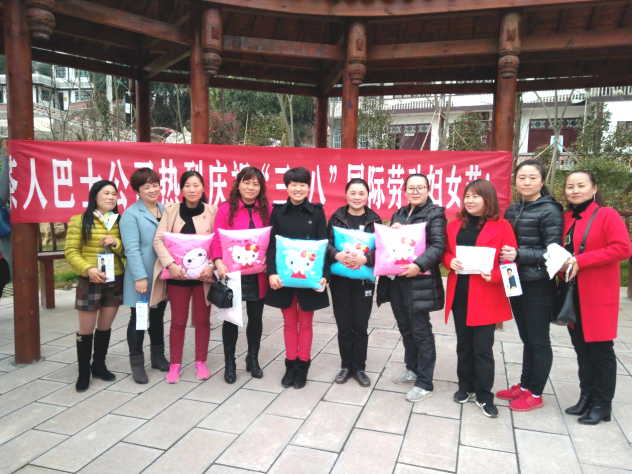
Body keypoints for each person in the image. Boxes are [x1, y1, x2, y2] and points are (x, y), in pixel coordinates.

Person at [560, 170, 631, 425]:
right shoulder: (566, 218)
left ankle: (602, 405)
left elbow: (622, 248)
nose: (575, 190)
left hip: (597, 295)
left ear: (594, 189)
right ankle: (586, 397)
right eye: (570, 186)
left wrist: (582, 260)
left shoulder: (606, 215)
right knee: (581, 349)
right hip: (573, 294)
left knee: (600, 351)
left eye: (581, 185)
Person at [442, 180, 517, 418]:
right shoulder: (455, 224)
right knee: (463, 345)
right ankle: (465, 386)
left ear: (488, 199)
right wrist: (449, 261)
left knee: (483, 348)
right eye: (467, 196)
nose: (470, 201)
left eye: (476, 196)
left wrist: (494, 276)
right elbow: (445, 252)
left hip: (486, 295)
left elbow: (510, 263)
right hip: (459, 294)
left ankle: (484, 395)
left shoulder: (502, 226)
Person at [497, 160, 563, 411]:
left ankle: (536, 393)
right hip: (515, 280)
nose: (526, 182)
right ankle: (524, 386)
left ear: (542, 181)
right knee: (526, 338)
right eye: (521, 177)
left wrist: (519, 254)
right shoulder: (513, 210)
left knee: (539, 340)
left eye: (532, 177)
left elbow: (554, 252)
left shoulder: (550, 211)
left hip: (539, 283)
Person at [376, 173, 446, 403]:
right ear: (404, 191)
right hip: (397, 281)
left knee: (421, 331)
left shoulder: (435, 213)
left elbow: (438, 246)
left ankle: (425, 383)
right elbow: (391, 245)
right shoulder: (399, 213)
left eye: (420, 187)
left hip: (419, 283)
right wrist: (393, 231)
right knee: (405, 328)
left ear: (428, 190)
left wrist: (419, 265)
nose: (415, 192)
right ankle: (412, 368)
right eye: (411, 188)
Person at [266, 167, 329, 390]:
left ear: (308, 187)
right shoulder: (278, 212)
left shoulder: (317, 213)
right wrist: (271, 273)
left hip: (309, 277)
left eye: (302, 184)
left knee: (306, 322)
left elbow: (324, 244)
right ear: (287, 187)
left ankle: (303, 365)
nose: (298, 189)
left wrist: (324, 276)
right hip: (284, 278)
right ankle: (290, 364)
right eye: (293, 184)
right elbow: (271, 245)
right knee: (289, 322)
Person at [151, 171, 216, 384]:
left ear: (203, 188)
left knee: (202, 320)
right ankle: (175, 364)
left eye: (196, 185)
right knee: (178, 321)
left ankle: (201, 361)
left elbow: (218, 242)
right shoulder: (171, 210)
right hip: (177, 276)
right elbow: (158, 240)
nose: (192, 189)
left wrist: (212, 265)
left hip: (203, 277)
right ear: (181, 189)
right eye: (187, 185)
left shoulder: (212, 211)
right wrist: (170, 265)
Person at [65, 180, 125, 392]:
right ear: (95, 196)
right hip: (90, 280)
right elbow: (71, 251)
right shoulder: (80, 220)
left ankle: (99, 365)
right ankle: (83, 372)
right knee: (86, 329)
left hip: (114, 279)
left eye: (114, 194)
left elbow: (128, 251)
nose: (111, 197)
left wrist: (116, 243)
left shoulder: (120, 221)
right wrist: (88, 269)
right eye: (106, 193)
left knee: (105, 326)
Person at [212, 166, 271, 384]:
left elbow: (273, 236)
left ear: (261, 188)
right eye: (247, 182)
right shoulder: (226, 209)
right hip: (232, 273)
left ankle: (252, 359)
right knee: (231, 319)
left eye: (256, 184)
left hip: (258, 274)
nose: (251, 188)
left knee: (256, 318)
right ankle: (230, 363)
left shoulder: (267, 209)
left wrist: (269, 258)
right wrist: (218, 261)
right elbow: (216, 238)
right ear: (238, 184)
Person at [327, 178, 381, 387]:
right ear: (346, 194)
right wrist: (337, 255)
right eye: (353, 193)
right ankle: (345, 366)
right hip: (340, 280)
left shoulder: (374, 219)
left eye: (361, 193)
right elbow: (326, 244)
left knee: (360, 325)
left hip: (364, 282)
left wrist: (366, 259)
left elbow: (382, 249)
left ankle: (359, 368)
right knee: (344, 325)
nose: (357, 197)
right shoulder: (337, 217)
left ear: (367, 196)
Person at [120, 168, 169, 384]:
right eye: (146, 187)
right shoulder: (131, 215)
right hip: (142, 278)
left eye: (155, 185)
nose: (152, 190)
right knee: (139, 320)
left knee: (158, 317)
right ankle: (137, 363)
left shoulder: (165, 209)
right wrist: (140, 277)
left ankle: (158, 357)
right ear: (137, 191)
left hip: (161, 275)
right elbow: (131, 249)